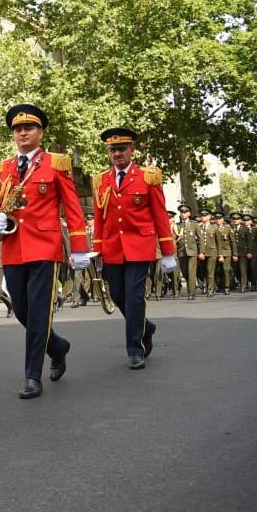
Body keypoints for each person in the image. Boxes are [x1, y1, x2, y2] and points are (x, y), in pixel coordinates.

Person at [0, 104, 87, 400]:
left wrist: (80, 247)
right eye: (17, 129)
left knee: (40, 311)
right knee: (22, 310)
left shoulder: (56, 163)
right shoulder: (2, 168)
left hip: (45, 246)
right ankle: (57, 347)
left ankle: (32, 375)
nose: (22, 133)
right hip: (13, 247)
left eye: (28, 128)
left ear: (40, 132)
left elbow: (72, 207)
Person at [91, 128, 175, 370]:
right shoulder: (101, 180)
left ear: (132, 150)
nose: (117, 154)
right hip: (112, 248)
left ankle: (135, 350)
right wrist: (97, 250)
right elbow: (99, 219)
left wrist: (167, 251)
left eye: (122, 149)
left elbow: (160, 215)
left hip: (139, 246)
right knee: (118, 295)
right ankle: (146, 327)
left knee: (134, 296)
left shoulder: (148, 177)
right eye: (113, 150)